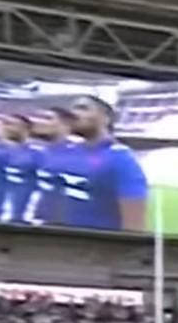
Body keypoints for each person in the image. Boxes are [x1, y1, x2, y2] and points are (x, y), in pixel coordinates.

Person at [58, 95, 148, 232]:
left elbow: (134, 224)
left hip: (96, 249)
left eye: (83, 108)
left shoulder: (121, 158)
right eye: (72, 110)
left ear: (106, 118)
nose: (73, 114)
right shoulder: (70, 152)